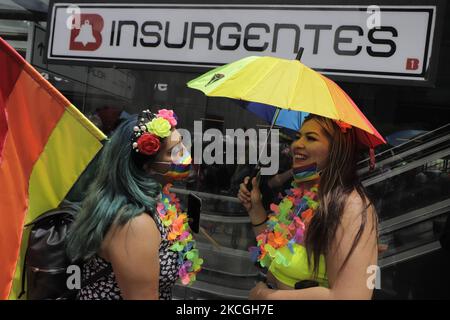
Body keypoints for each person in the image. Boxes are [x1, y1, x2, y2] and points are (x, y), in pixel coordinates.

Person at [66, 108, 203, 300]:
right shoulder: (134, 223)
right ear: (146, 166)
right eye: (173, 151)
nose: (185, 155)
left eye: (183, 144)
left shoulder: (152, 203)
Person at [238, 114, 379, 299]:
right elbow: (272, 253)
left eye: (310, 138)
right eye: (298, 137)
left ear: (336, 150)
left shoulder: (351, 206)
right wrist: (254, 208)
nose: (297, 144)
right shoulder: (299, 199)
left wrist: (267, 296)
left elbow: (350, 296)